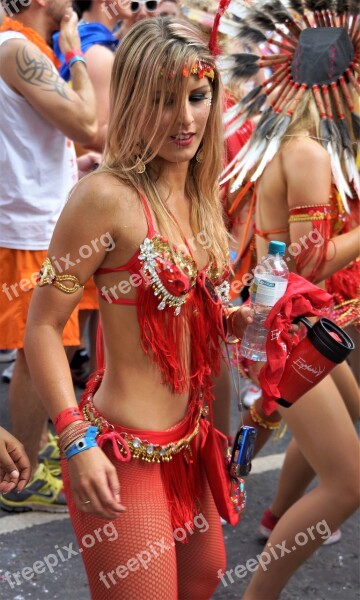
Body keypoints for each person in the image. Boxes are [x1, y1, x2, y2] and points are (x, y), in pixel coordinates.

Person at [24, 16, 255, 599]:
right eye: (161, 101)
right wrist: (74, 443)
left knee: (201, 581)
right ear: (130, 101)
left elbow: (199, 333)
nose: (185, 120)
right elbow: (44, 327)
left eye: (197, 97)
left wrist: (231, 321)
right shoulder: (104, 197)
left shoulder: (203, 195)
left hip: (194, 442)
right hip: (121, 451)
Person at [219, 2, 360, 597]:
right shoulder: (305, 153)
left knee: (348, 438)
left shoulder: (305, 145)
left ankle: (269, 514)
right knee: (349, 485)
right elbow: (312, 261)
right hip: (282, 327)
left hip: (294, 319)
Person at [0, 0, 98, 512]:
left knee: (31, 353)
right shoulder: (15, 48)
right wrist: (75, 51)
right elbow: (87, 120)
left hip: (34, 226)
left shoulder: (16, 47)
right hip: (28, 233)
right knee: (42, 354)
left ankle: (24, 460)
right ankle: (24, 474)